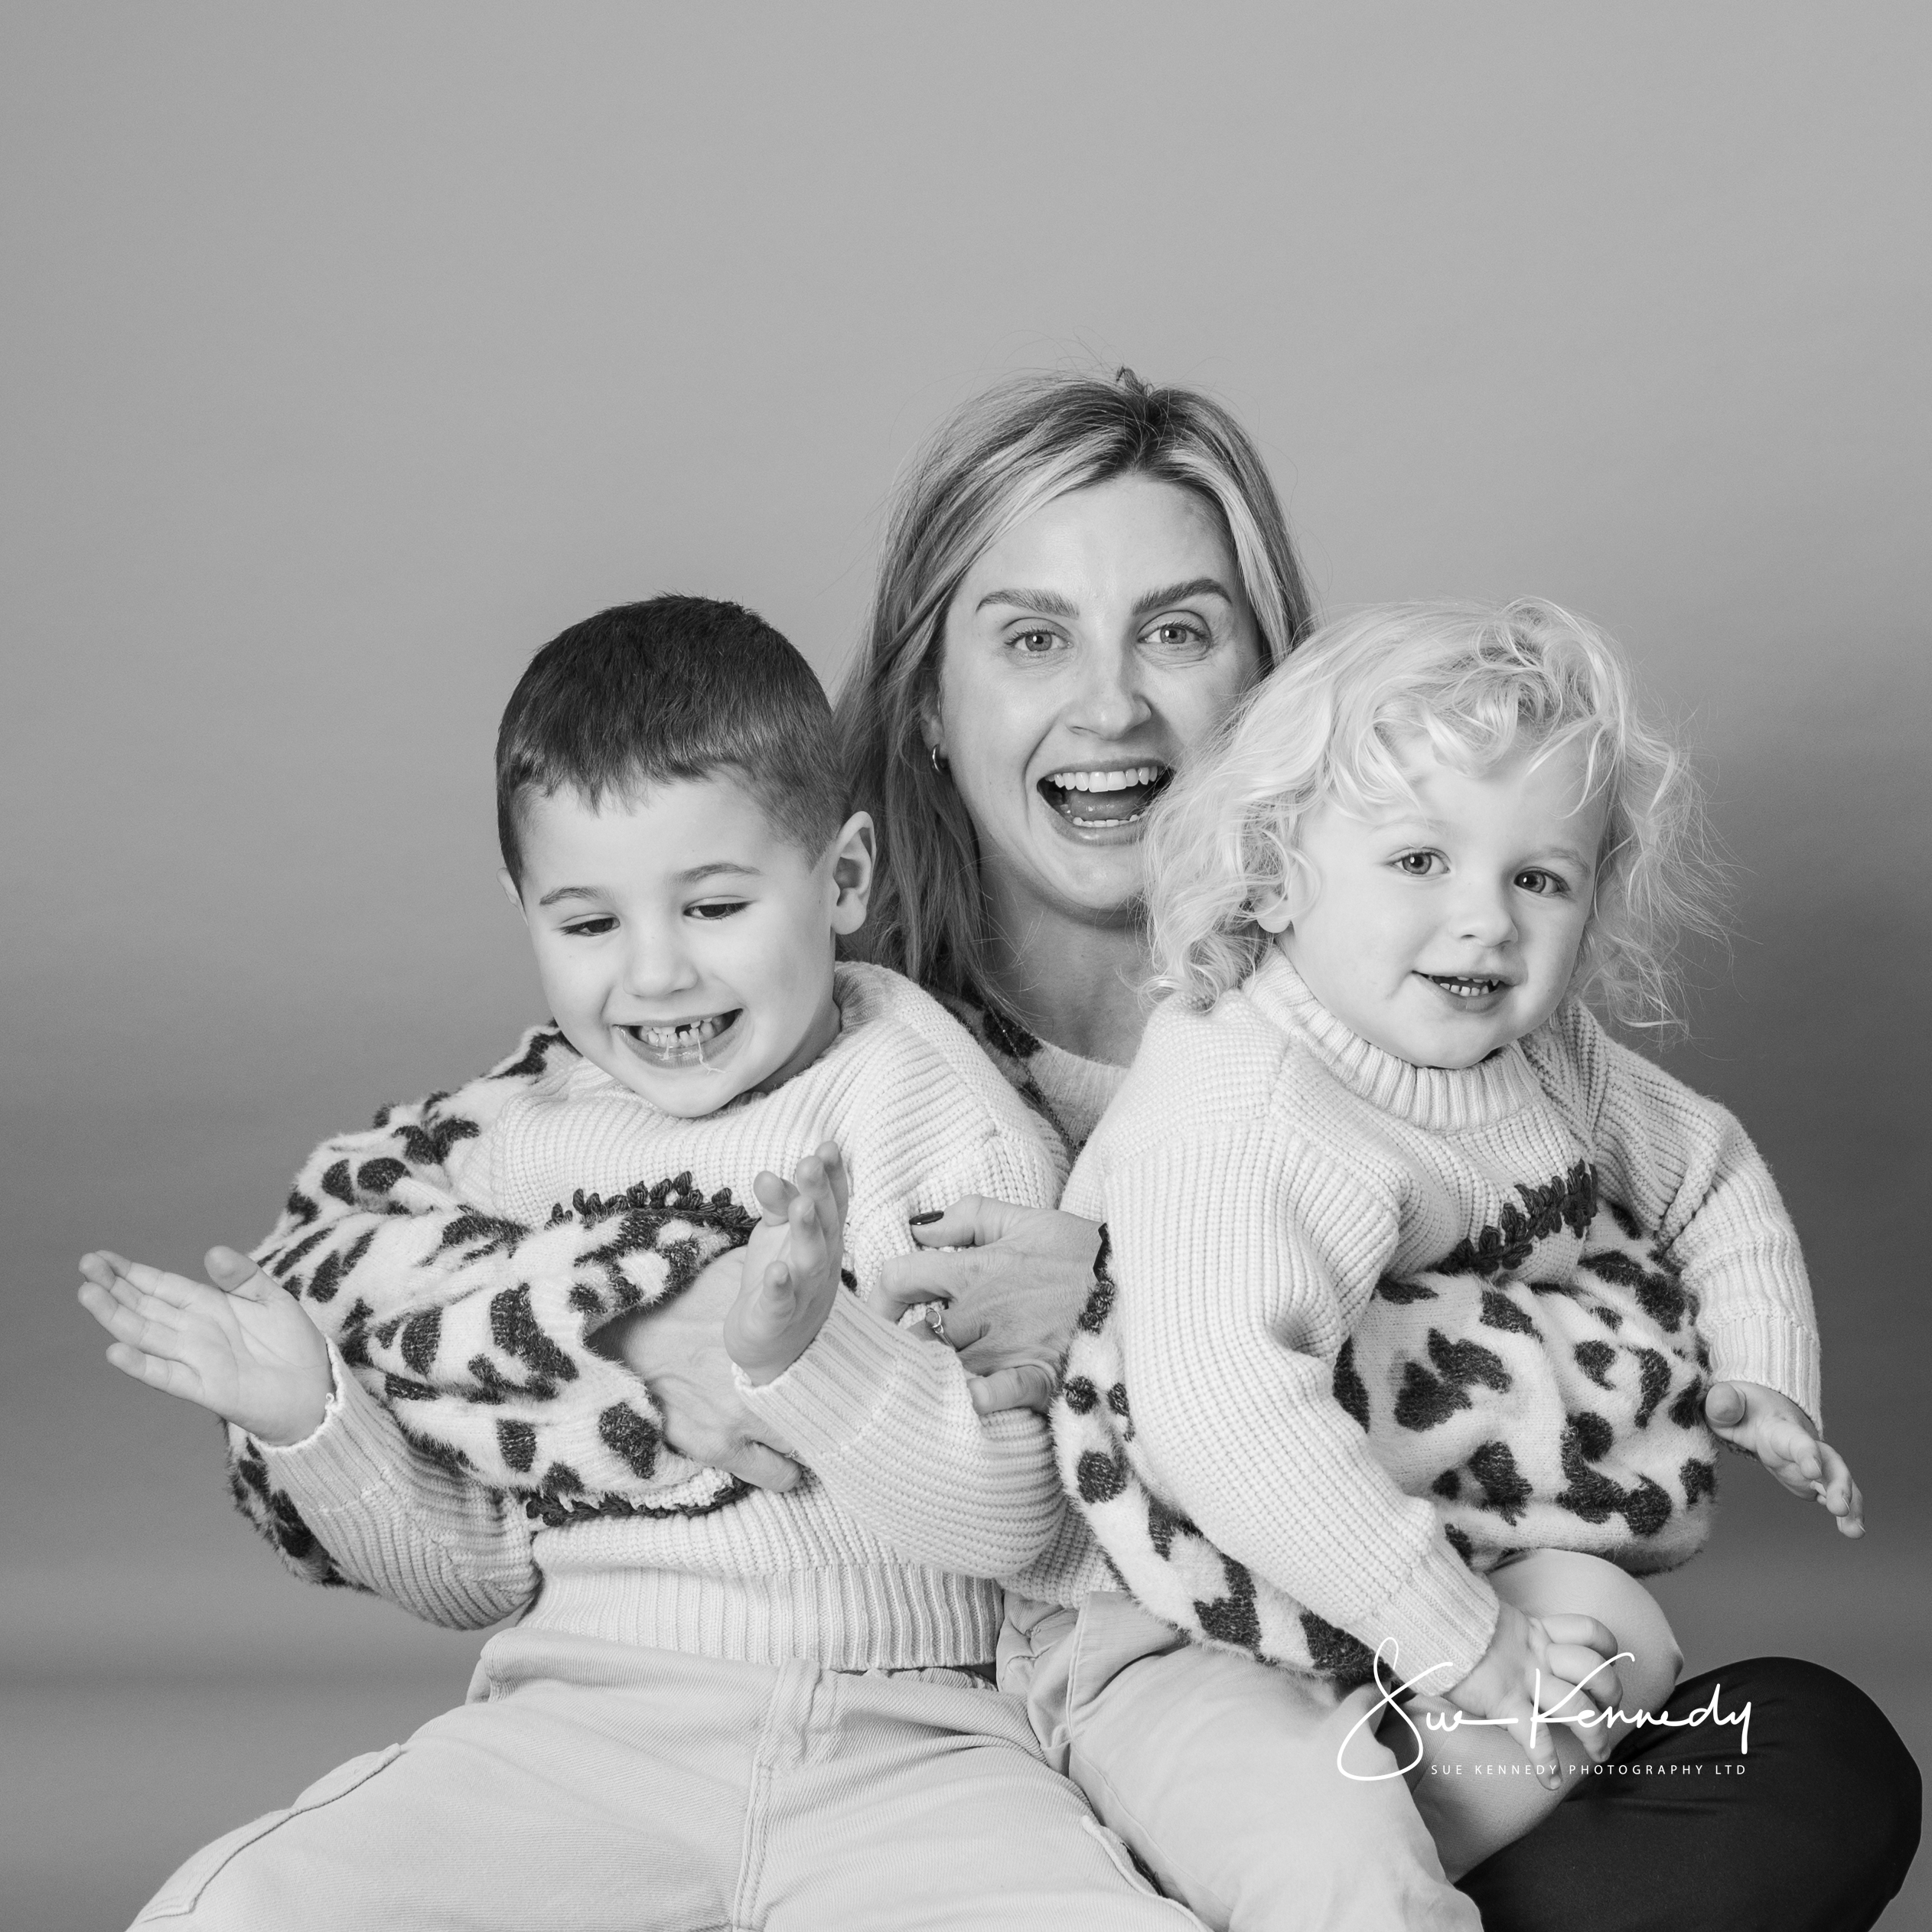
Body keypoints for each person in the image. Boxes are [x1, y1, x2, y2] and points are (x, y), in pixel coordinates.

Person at [84, 372, 1917, 1929]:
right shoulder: (800, 1013)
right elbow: (404, 1247)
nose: (1111, 708)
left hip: (1377, 1712)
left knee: (1795, 1761)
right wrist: (660, 1331)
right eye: (1034, 638)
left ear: (1283, 695)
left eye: (1179, 633)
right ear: (931, 699)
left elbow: (1635, 1352)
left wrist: (1120, 1326)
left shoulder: (1414, 1008)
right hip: (999, 1741)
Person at [75, 595, 1155, 1930]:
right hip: (580, 1735)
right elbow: (486, 1570)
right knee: (234, 1909)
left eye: (712, 903)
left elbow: (1023, 1522)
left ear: (845, 877)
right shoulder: (520, 1138)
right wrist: (319, 1421)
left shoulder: (927, 1111)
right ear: (522, 909)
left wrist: (806, 1350)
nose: (654, 973)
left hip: (921, 1747)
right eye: (586, 926)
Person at [1038, 598, 1865, 1915]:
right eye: (1418, 860)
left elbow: (1710, 1172)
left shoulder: (1552, 1062)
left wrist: (1762, 1367)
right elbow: (1223, 1420)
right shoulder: (1239, 1101)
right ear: (1272, 867)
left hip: (1423, 1587)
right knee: (1339, 1859)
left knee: (1612, 1637)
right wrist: (1469, 1646)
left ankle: (1318, 1871)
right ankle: (1251, 1867)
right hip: (1191, 1624)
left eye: (1536, 877)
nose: (1483, 920)